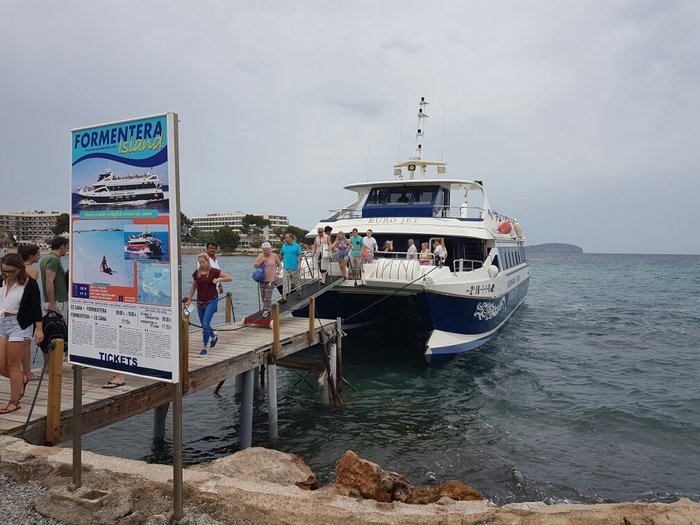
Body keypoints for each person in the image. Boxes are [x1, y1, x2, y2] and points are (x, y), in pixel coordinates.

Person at [0, 253, 43, 414]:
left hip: (20, 325)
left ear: (20, 268)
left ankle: (14, 401)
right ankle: (22, 379)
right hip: (2, 323)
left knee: (12, 365)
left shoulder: (29, 284)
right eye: (4, 270)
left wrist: (39, 329)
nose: (7, 274)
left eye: (10, 271)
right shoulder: (1, 280)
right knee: (1, 364)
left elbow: (36, 308)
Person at [183, 253, 232, 357]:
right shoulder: (197, 273)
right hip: (200, 301)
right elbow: (193, 287)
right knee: (204, 325)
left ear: (207, 261)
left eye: (203, 262)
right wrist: (189, 299)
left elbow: (229, 278)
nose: (201, 264)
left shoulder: (214, 272)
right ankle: (214, 337)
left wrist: (219, 280)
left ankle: (204, 347)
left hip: (212, 300)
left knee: (205, 324)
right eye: (199, 262)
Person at [18, 244, 40, 382]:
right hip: (25, 310)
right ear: (31, 256)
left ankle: (20, 370)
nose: (39, 256)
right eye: (38, 254)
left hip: (12, 311)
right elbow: (30, 292)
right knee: (26, 343)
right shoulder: (32, 271)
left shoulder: (17, 269)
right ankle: (27, 372)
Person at [253, 242, 282, 317]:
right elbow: (255, 265)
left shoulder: (274, 256)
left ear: (270, 249)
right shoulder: (260, 255)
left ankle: (265, 310)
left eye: (267, 250)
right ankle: (268, 307)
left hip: (271, 279)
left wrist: (278, 273)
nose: (266, 252)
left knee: (268, 295)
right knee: (263, 295)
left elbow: (279, 265)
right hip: (262, 278)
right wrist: (261, 261)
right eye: (264, 250)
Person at [279, 232, 303, 302]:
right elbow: (281, 254)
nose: (285, 239)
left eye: (286, 237)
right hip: (286, 267)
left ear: (291, 238)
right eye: (285, 237)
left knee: (296, 281)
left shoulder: (297, 246)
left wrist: (299, 265)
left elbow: (300, 256)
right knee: (285, 282)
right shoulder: (284, 246)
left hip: (294, 267)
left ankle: (299, 292)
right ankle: (284, 297)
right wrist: (277, 263)